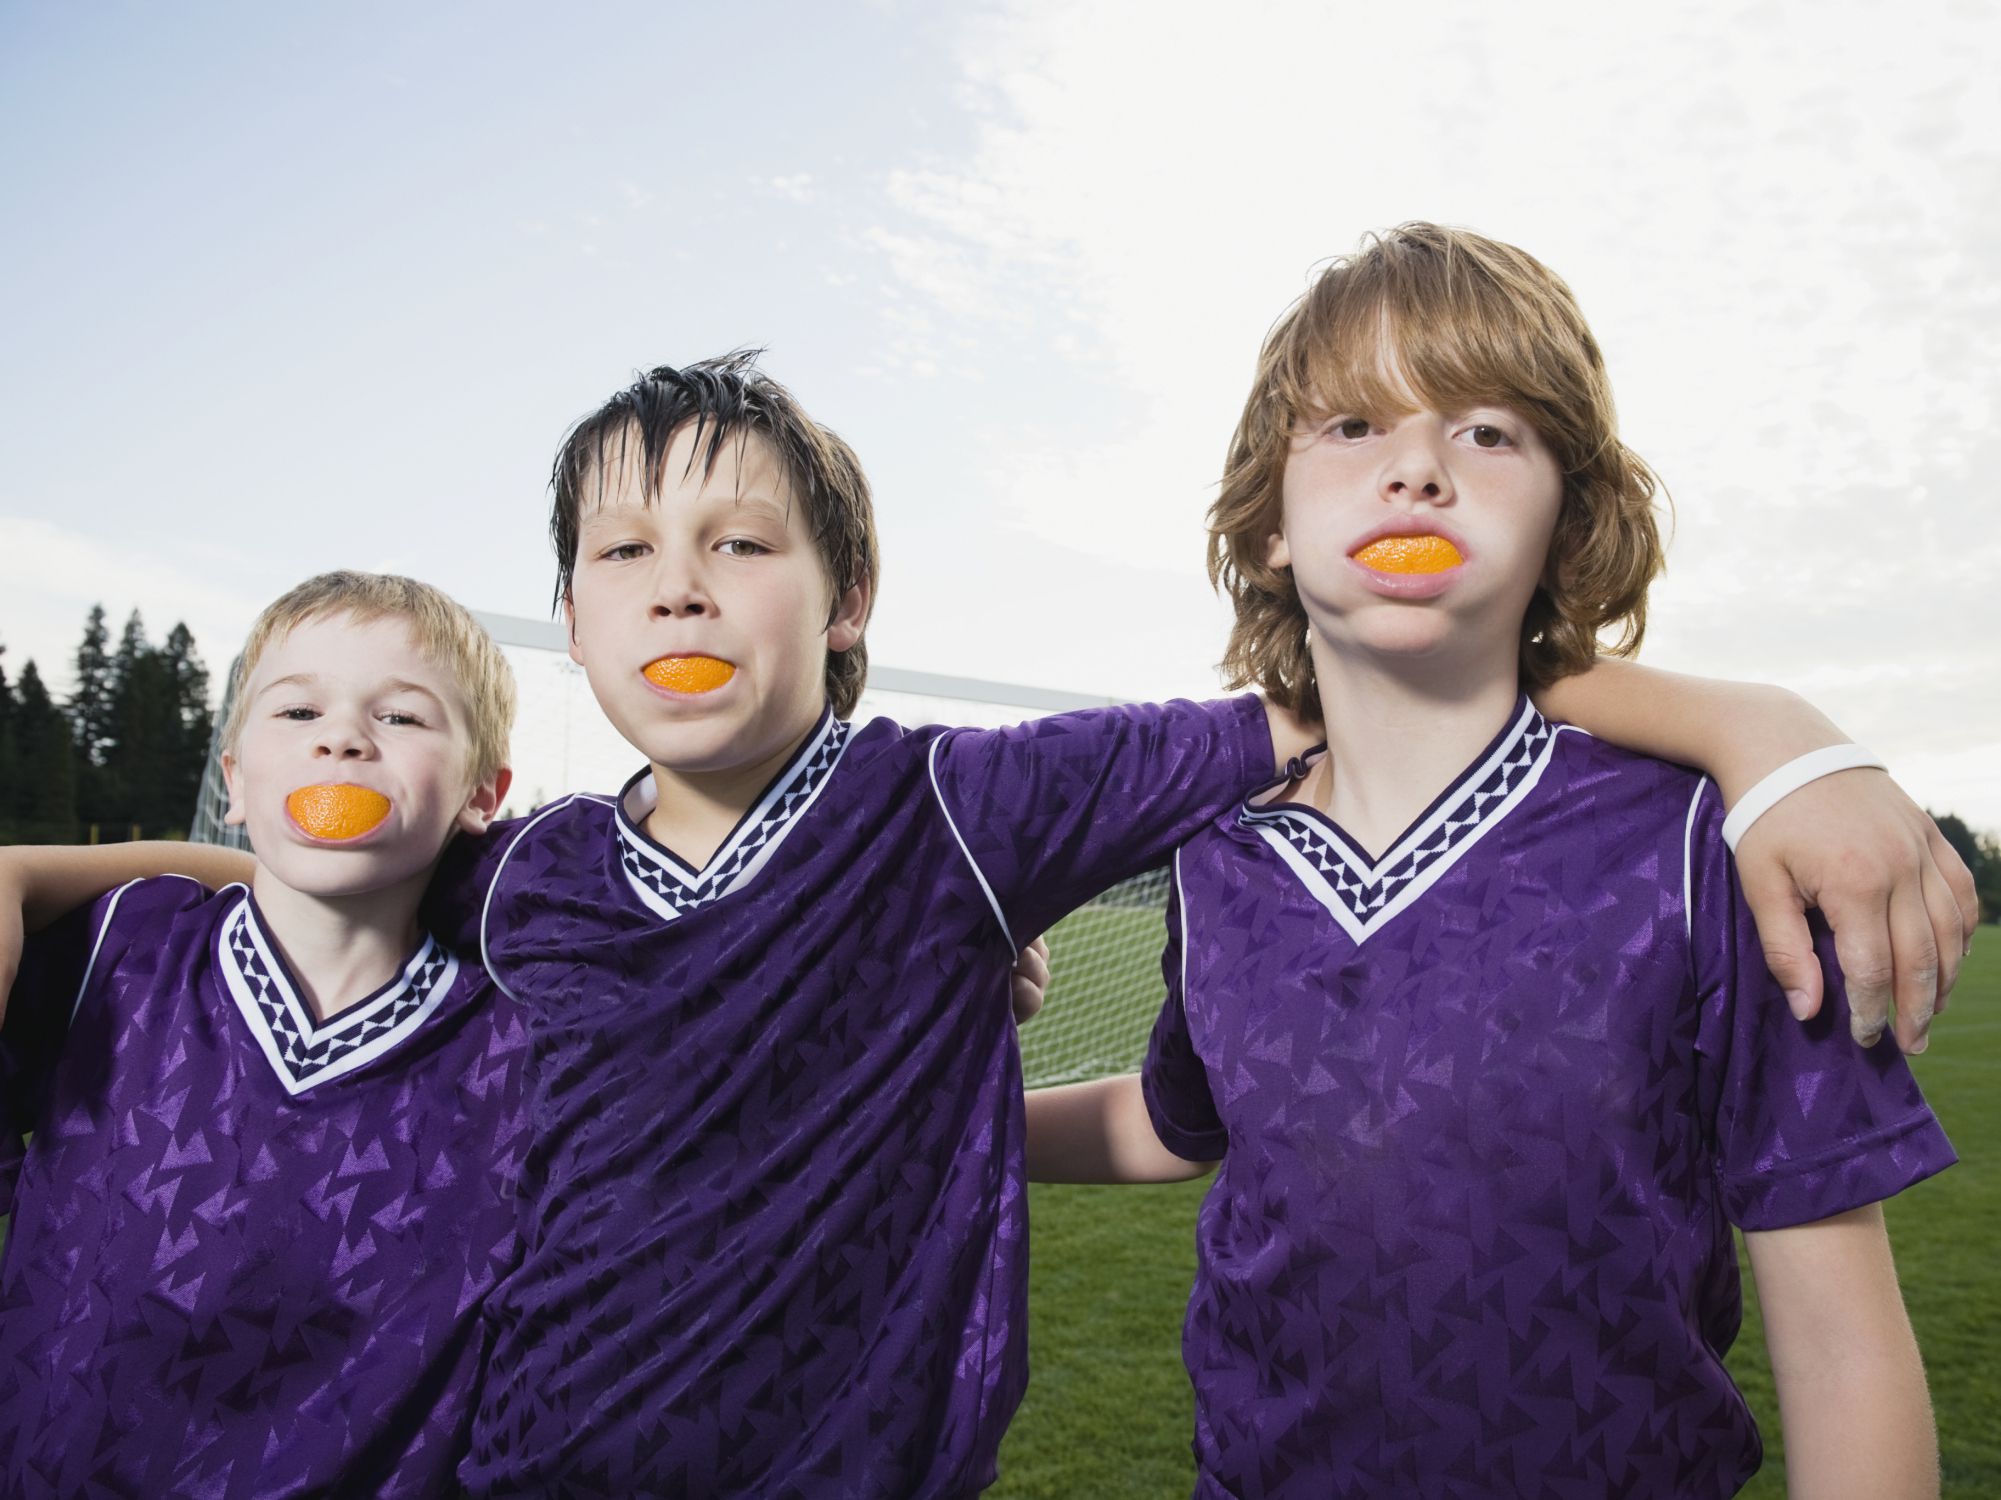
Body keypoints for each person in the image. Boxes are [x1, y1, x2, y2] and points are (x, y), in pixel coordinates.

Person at [0, 351, 1970, 1497]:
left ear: (847, 602)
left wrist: (1752, 731)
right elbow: (300, 867)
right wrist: (57, 877)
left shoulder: (958, 808)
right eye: (623, 556)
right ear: (574, 619)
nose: (676, 590)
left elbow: (1381, 690)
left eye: (739, 546)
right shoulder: (542, 875)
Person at [1025, 223, 1954, 1499]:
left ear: (1567, 512)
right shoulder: (1215, 851)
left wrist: (1775, 735)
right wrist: (947, 1113)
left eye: (1488, 431)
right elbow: (1180, 1123)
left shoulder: (1699, 846)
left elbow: (1843, 1336)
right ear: (1271, 525)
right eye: (1352, 426)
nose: (1415, 467)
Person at [0, 572, 526, 1497]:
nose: (341, 737)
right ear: (234, 781)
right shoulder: (120, 946)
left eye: (401, 717)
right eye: (295, 711)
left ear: (483, 791)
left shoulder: (530, 1042)